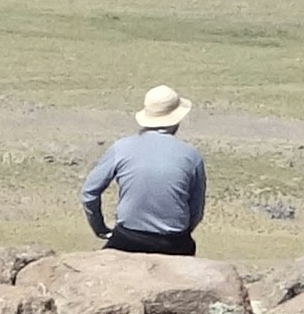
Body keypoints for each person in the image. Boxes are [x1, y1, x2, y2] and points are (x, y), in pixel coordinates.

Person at [79, 88, 208, 256]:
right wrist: (183, 232)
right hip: (174, 242)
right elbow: (196, 209)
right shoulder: (192, 155)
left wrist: (100, 228)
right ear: (177, 119)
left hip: (128, 238)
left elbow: (89, 193)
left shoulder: (121, 148)